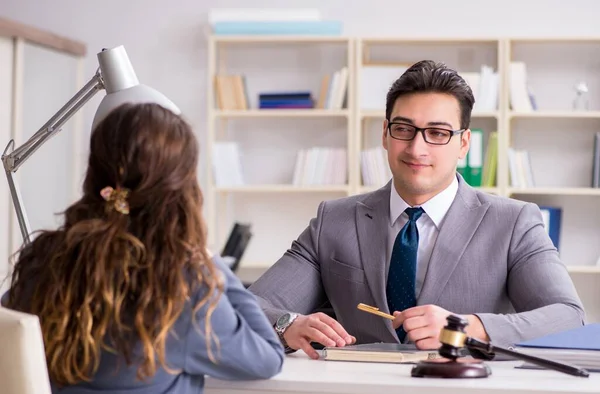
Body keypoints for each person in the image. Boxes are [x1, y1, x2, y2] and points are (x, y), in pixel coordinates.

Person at [248, 60, 585, 360]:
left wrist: (467, 327)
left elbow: (567, 316)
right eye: (404, 129)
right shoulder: (333, 221)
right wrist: (287, 325)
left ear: (463, 143)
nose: (416, 147)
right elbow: (246, 307)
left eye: (437, 133)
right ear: (385, 133)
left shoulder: (513, 222)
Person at [1, 103, 284, 392]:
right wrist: (207, 258)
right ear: (181, 192)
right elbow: (268, 356)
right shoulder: (182, 287)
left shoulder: (43, 259)